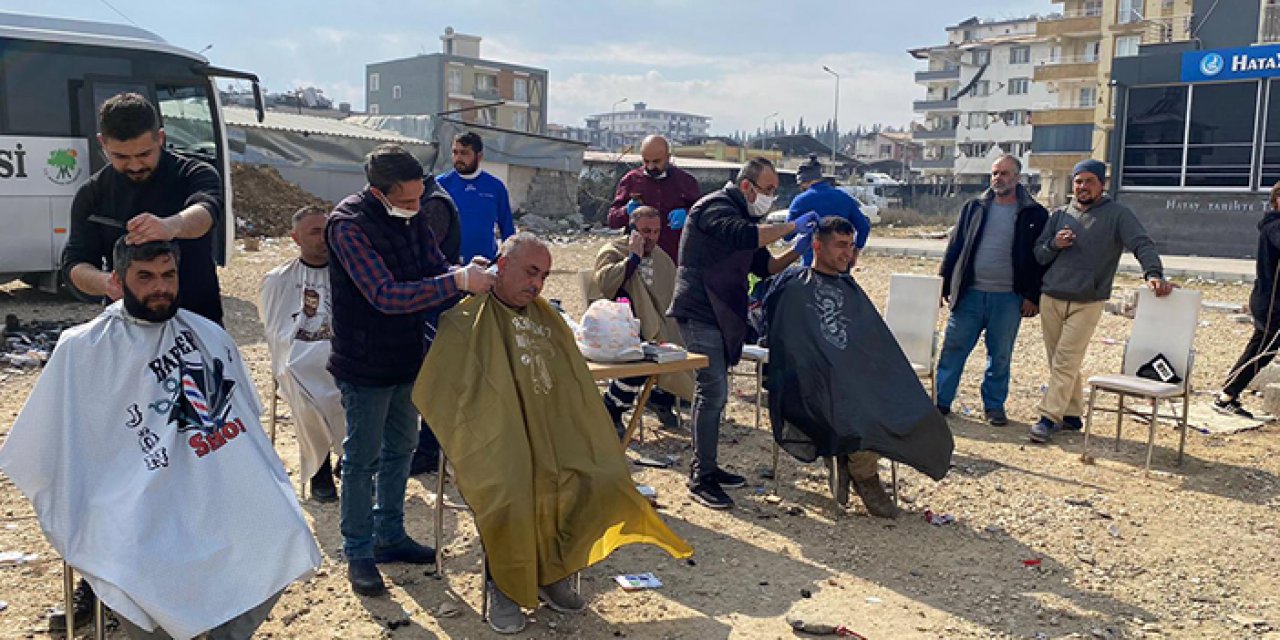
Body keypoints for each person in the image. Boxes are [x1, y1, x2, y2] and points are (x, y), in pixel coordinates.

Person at [0, 239, 320, 639]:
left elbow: (245, 417)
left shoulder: (206, 334)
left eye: (168, 275)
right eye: (145, 277)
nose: (160, 288)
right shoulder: (83, 348)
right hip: (129, 500)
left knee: (284, 530)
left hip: (210, 480)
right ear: (117, 280)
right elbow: (46, 449)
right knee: (148, 561)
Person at [413, 233, 693, 635]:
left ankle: (551, 572)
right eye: (530, 272)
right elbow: (448, 392)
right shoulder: (465, 318)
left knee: (599, 476)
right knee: (511, 486)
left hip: (548, 431)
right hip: (491, 439)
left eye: (543, 276)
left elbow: (571, 388)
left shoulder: (547, 319)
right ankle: (505, 584)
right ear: (502, 266)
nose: (537, 284)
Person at [327, 143, 496, 596]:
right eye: (405, 201)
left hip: (406, 354)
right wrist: (455, 282)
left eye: (419, 198)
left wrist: (463, 272)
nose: (416, 208)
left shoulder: (415, 214)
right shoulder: (348, 226)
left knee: (401, 446)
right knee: (362, 458)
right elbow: (384, 294)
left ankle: (390, 534)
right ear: (378, 192)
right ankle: (358, 549)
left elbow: (432, 267)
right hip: (363, 359)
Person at [762, 217, 953, 517]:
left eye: (851, 247)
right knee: (854, 402)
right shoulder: (792, 286)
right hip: (806, 383)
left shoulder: (850, 288)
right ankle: (865, 477)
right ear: (816, 245)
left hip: (845, 379)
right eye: (840, 246)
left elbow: (872, 343)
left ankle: (848, 459)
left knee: (890, 397)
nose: (847, 254)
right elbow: (784, 342)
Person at [668, 156, 818, 509]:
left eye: (774, 192)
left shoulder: (748, 216)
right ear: (746, 186)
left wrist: (797, 250)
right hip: (699, 308)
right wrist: (791, 227)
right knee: (713, 391)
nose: (770, 198)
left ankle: (709, 466)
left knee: (716, 393)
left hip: (723, 311)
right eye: (767, 190)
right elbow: (743, 236)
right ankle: (701, 476)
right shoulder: (714, 207)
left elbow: (764, 266)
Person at [1030, 159, 1174, 444]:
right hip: (1052, 297)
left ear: (1101, 184)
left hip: (1087, 300)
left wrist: (1153, 273)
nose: (1082, 187)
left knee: (1066, 360)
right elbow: (1039, 254)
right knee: (1058, 361)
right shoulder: (1059, 215)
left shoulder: (1118, 215)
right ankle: (1071, 415)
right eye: (1078, 181)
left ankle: (1048, 417)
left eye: (1088, 181)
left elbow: (1142, 243)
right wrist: (1053, 245)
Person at [62, 92, 225, 325]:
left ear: (160, 138)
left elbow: (206, 211)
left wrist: (171, 225)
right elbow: (75, 264)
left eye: (144, 154)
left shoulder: (194, 174)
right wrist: (107, 282)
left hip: (197, 319)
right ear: (102, 143)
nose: (135, 165)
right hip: (127, 325)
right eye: (120, 156)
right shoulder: (92, 194)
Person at [936, 155, 1049, 426]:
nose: (999, 178)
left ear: (1018, 178)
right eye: (995, 173)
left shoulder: (1034, 214)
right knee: (953, 349)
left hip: (1008, 298)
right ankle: (940, 402)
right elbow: (956, 245)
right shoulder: (974, 207)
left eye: (1005, 174)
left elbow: (1040, 260)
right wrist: (945, 280)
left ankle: (994, 406)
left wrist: (1033, 296)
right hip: (970, 294)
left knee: (999, 355)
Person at [260, 206, 344, 502]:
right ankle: (319, 468)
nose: (324, 238)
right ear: (296, 238)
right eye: (314, 232)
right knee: (298, 380)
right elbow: (275, 330)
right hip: (298, 360)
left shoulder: (348, 271)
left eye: (327, 230)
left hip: (342, 356)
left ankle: (350, 458)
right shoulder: (279, 279)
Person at [592, 205, 693, 435]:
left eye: (656, 232)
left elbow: (669, 293)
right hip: (617, 325)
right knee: (639, 357)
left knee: (677, 347)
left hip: (657, 324)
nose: (651, 238)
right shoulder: (612, 251)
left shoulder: (662, 258)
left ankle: (659, 398)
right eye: (646, 231)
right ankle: (612, 408)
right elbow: (606, 285)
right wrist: (633, 259)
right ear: (632, 230)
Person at [409, 174, 464, 476]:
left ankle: (428, 448)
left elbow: (422, 257)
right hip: (430, 296)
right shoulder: (432, 196)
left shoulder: (434, 204)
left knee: (432, 376)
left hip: (435, 300)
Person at [1214, 181, 1280, 417]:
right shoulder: (1274, 226)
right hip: (1272, 303)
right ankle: (1227, 396)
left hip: (1267, 301)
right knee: (1261, 353)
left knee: (1259, 349)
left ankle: (1226, 394)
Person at [607, 135, 702, 260]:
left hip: (674, 256)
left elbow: (703, 215)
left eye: (656, 161)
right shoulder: (631, 180)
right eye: (646, 161)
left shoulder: (685, 181)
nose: (651, 167)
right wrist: (626, 211)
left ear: (668, 157)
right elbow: (612, 220)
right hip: (639, 257)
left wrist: (688, 214)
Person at [437, 131, 514, 263]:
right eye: (455, 152)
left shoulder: (495, 187)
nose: (458, 157)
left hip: (485, 265)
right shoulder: (440, 185)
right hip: (449, 267)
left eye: (464, 153)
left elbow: (508, 230)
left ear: (479, 156)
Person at [787, 154, 870, 268]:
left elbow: (787, 236)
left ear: (802, 181)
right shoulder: (844, 197)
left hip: (812, 266)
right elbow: (864, 227)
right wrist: (854, 252)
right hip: (840, 266)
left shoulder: (801, 200)